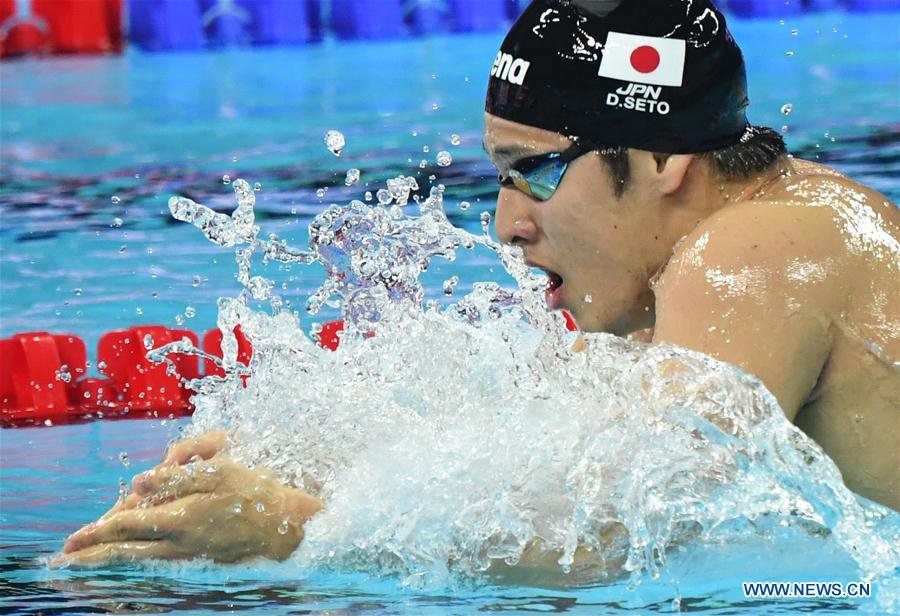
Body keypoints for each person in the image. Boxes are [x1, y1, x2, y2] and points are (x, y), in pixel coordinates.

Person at [56, 0, 898, 568]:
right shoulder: (790, 215)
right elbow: (561, 460)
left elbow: (609, 541)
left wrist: (284, 526)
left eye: (532, 173)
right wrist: (304, 460)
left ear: (666, 160)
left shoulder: (750, 258)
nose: (506, 224)